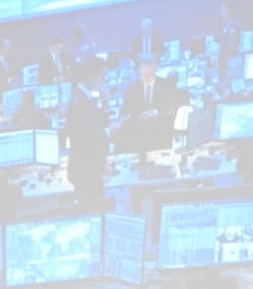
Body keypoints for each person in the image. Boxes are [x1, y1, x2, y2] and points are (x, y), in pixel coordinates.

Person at [63, 60, 110, 204]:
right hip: (85, 171)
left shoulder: (84, 97)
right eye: (102, 77)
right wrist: (109, 133)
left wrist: (105, 105)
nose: (103, 82)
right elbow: (82, 141)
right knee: (93, 209)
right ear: (90, 78)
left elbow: (92, 124)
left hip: (89, 169)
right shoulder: (78, 103)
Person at [116, 55, 178, 153]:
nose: (146, 68)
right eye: (143, 64)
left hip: (160, 137)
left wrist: (154, 112)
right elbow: (124, 112)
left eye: (149, 64)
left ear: (156, 67)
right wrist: (131, 117)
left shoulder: (165, 85)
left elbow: (171, 110)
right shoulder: (132, 89)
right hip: (138, 138)